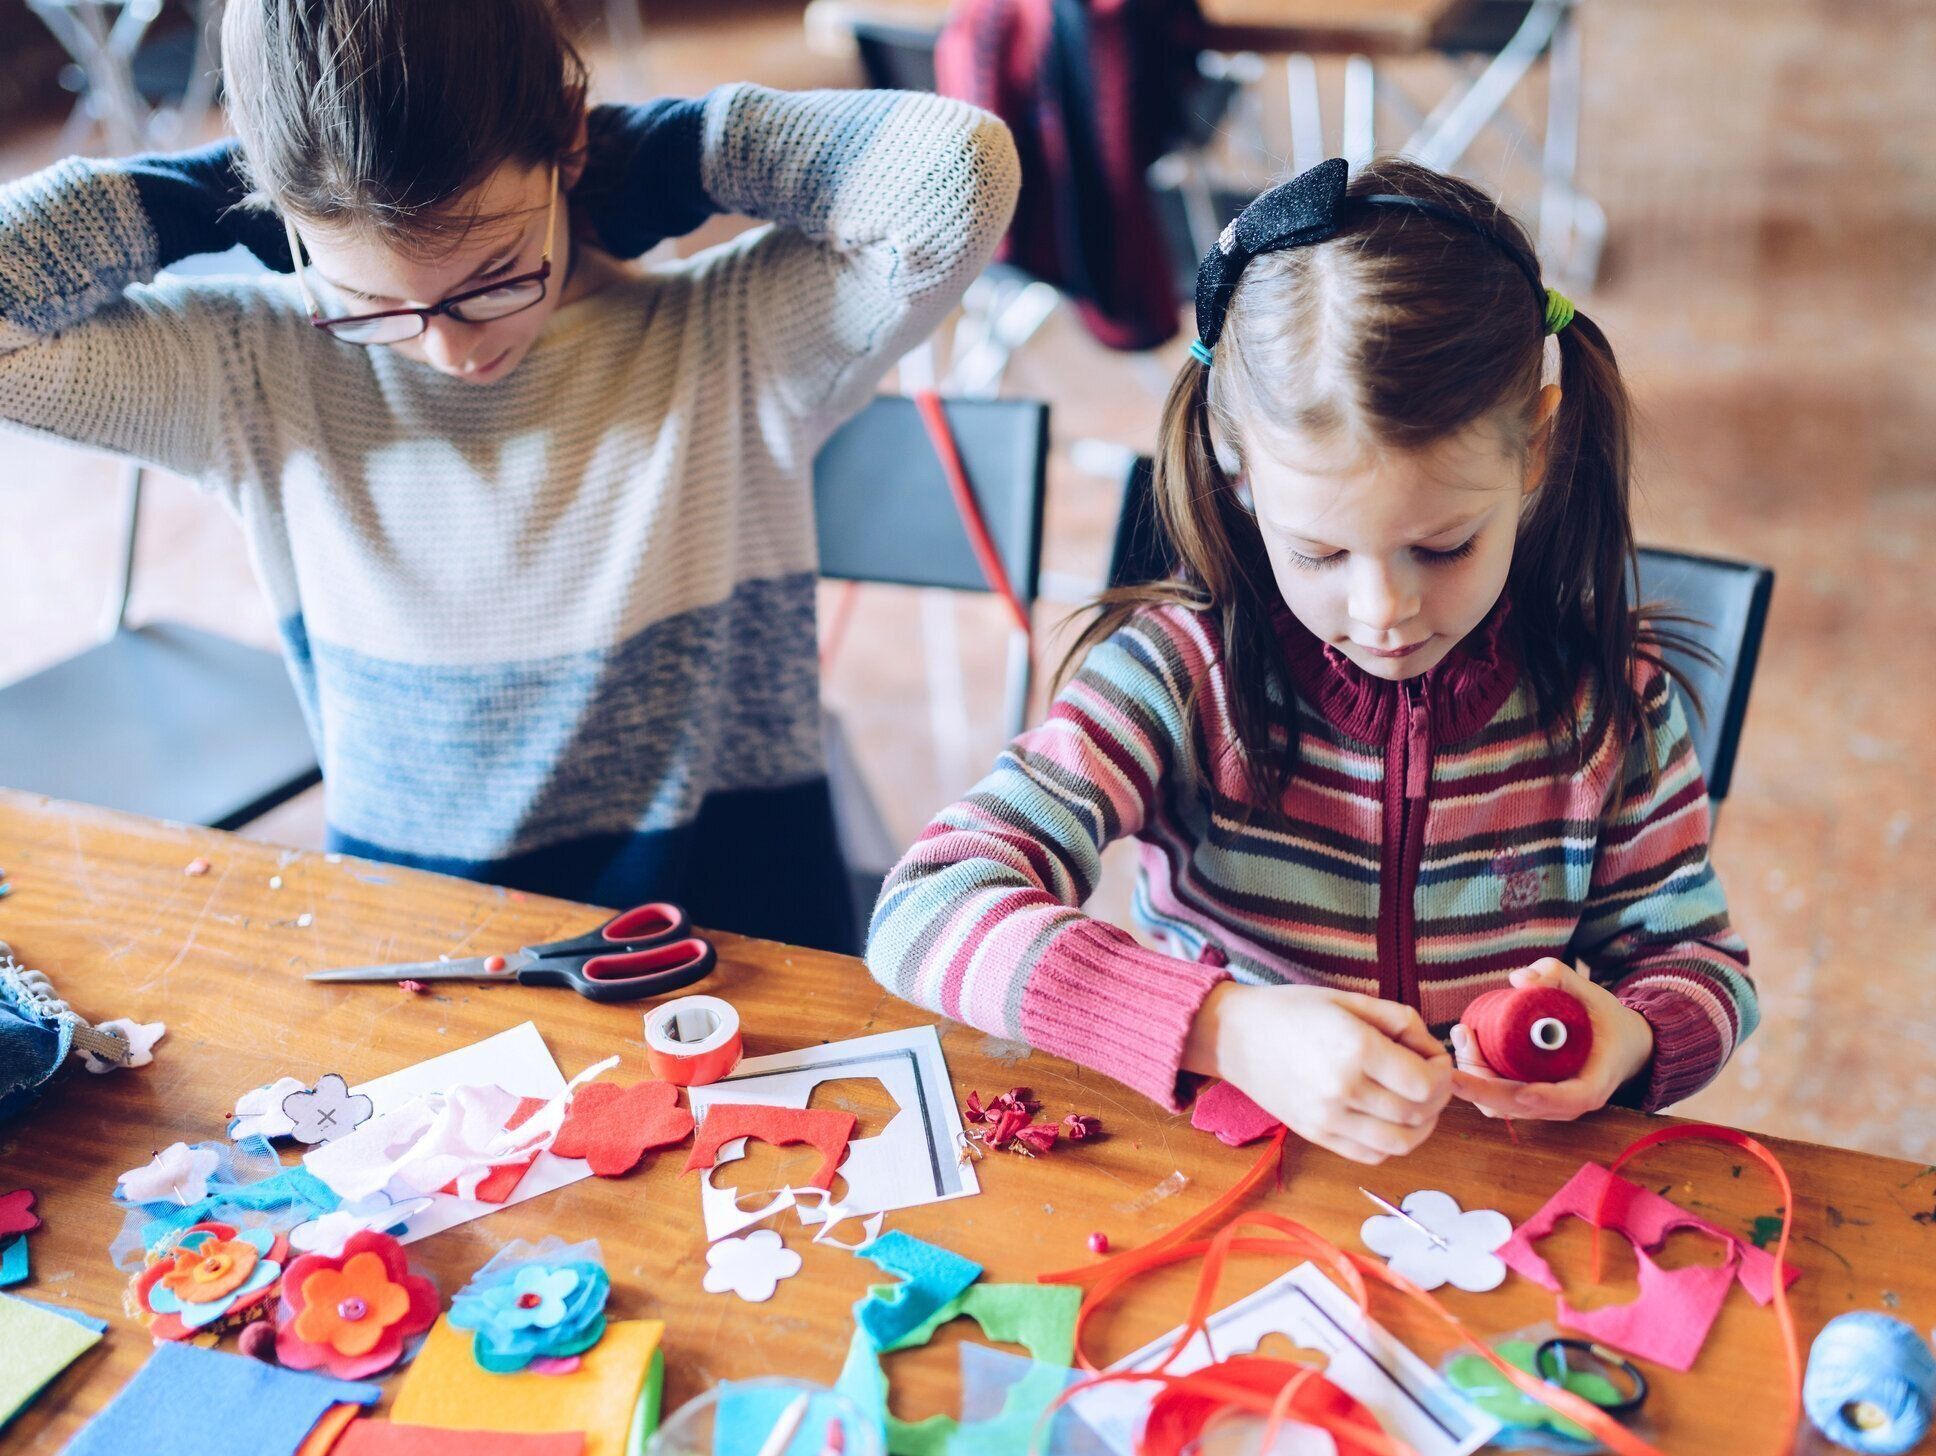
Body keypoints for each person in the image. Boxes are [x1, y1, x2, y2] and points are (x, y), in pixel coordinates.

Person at [0, 0, 1019, 953]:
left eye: (492, 279)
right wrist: (226, 194)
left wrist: (645, 157)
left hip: (740, 949)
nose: (448, 350)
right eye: (373, 302)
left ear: (569, 141)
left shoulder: (735, 337)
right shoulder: (252, 373)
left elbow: (955, 174)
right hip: (429, 950)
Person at [867, 158, 1757, 1164]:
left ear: (1534, 455)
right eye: (1320, 554)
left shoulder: (1615, 707)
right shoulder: (1178, 680)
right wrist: (1224, 1029)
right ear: (1240, 475)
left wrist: (1627, 1034)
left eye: (1444, 545)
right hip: (1225, 1176)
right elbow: (925, 908)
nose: (1384, 611)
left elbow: (1700, 967)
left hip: (1488, 1197)